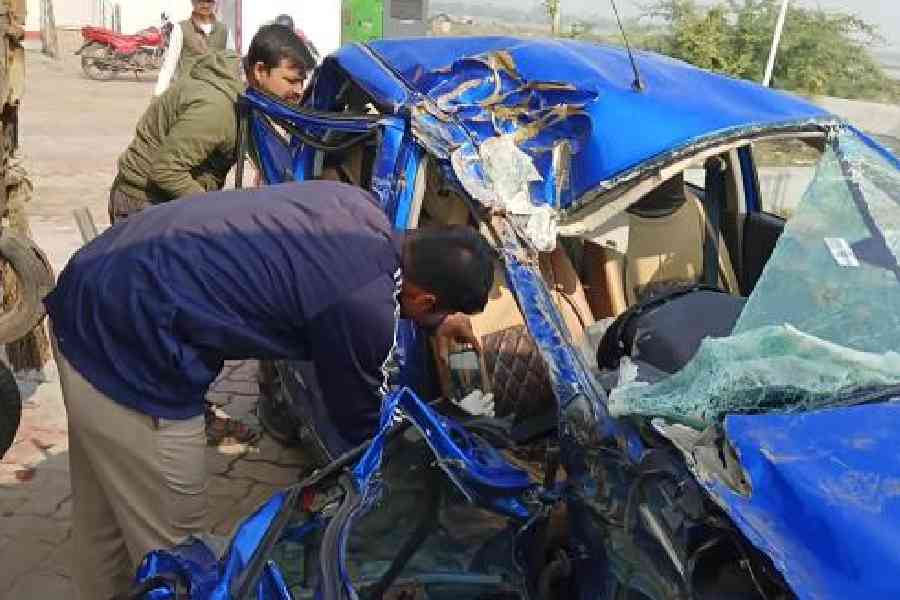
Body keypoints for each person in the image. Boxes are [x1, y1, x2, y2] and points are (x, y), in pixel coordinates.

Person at [46, 180, 494, 599]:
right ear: (426, 300)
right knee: (182, 558)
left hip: (90, 286)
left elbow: (370, 297)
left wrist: (436, 324)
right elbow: (359, 424)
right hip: (128, 347)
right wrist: (412, 478)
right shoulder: (361, 305)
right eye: (435, 313)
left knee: (103, 524)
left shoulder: (356, 206)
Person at [110, 25, 314, 224]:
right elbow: (166, 171)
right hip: (143, 203)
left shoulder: (246, 88)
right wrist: (214, 211)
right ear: (260, 70)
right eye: (291, 81)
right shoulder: (217, 108)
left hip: (168, 198)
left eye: (302, 82)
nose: (299, 90)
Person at [154, 0, 236, 97]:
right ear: (193, 2)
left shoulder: (224, 30)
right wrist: (158, 95)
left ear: (214, 3)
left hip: (216, 94)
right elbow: (169, 65)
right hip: (188, 94)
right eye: (201, 1)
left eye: (209, 1)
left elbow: (231, 65)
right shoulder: (181, 28)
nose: (205, 5)